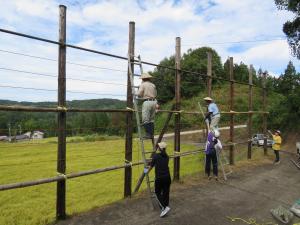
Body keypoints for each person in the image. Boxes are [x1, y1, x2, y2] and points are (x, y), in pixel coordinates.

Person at [144, 142, 171, 218]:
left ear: (160, 148)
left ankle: (164, 208)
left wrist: (145, 171)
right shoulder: (167, 156)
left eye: (158, 146)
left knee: (157, 192)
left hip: (159, 178)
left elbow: (151, 166)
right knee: (166, 192)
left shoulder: (156, 156)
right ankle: (165, 207)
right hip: (167, 177)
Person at [137, 72, 157, 139]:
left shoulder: (143, 85)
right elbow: (155, 94)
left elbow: (139, 94)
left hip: (147, 102)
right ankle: (151, 134)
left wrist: (137, 90)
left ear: (143, 79)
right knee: (151, 120)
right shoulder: (153, 85)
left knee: (145, 119)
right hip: (154, 101)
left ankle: (148, 135)